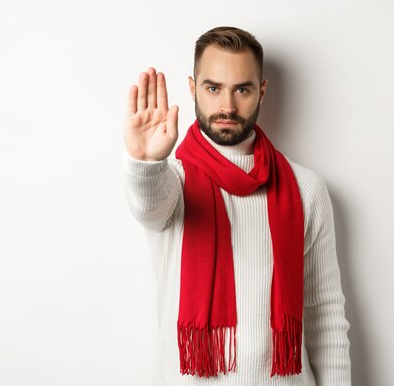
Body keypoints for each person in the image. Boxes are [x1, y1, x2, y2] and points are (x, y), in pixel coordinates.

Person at [123, 26, 351, 386]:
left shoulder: (306, 189)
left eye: (241, 89)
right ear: (193, 87)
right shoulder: (173, 180)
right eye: (213, 88)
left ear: (261, 91)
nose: (227, 106)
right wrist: (147, 164)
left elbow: (325, 315)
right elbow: (148, 207)